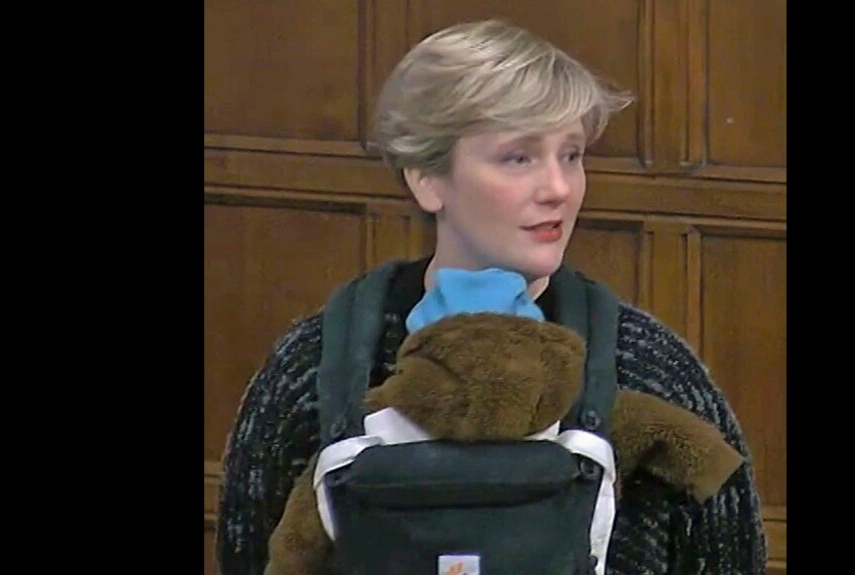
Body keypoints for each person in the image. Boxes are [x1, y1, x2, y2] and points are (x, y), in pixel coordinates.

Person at [216, 19, 768, 575]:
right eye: (519, 157)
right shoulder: (311, 369)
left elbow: (729, 555)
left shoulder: (649, 368)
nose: (558, 188)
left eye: (571, 155)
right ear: (427, 178)